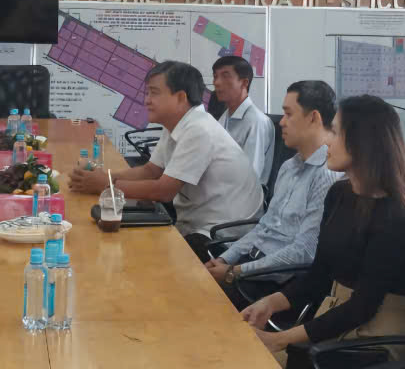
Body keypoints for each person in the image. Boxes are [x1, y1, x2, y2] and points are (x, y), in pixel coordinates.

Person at [239, 95, 405, 369]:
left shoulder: (398, 218)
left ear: (362, 142)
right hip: (335, 328)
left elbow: (362, 307)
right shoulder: (339, 194)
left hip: (371, 348)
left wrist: (280, 339)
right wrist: (270, 303)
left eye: (336, 132)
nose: (327, 141)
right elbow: (319, 275)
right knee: (248, 362)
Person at [68, 61, 263, 262]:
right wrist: (104, 178)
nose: (147, 100)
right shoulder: (177, 124)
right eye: (147, 93)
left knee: (139, 257)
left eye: (154, 93)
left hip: (223, 237)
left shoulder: (199, 130)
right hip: (198, 223)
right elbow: (151, 171)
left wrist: (106, 185)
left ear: (180, 97)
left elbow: (164, 191)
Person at [204, 80, 341, 304]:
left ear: (313, 117)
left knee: (200, 299)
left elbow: (304, 252)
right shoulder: (289, 166)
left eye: (288, 114)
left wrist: (235, 271)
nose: (282, 122)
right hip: (252, 267)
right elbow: (264, 227)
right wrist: (225, 259)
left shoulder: (326, 175)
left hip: (279, 282)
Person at [212, 56, 275, 184]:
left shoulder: (256, 121)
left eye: (225, 76)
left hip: (243, 193)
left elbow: (250, 176)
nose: (216, 83)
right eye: (215, 76)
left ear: (244, 83)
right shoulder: (224, 117)